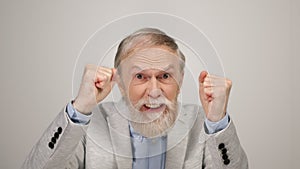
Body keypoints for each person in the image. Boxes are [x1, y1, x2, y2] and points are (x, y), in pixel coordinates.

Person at [21, 28, 248, 169]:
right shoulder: (90, 124)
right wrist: (80, 108)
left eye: (165, 76)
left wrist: (217, 120)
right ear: (119, 81)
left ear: (180, 80)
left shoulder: (203, 124)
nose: (154, 91)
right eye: (140, 76)